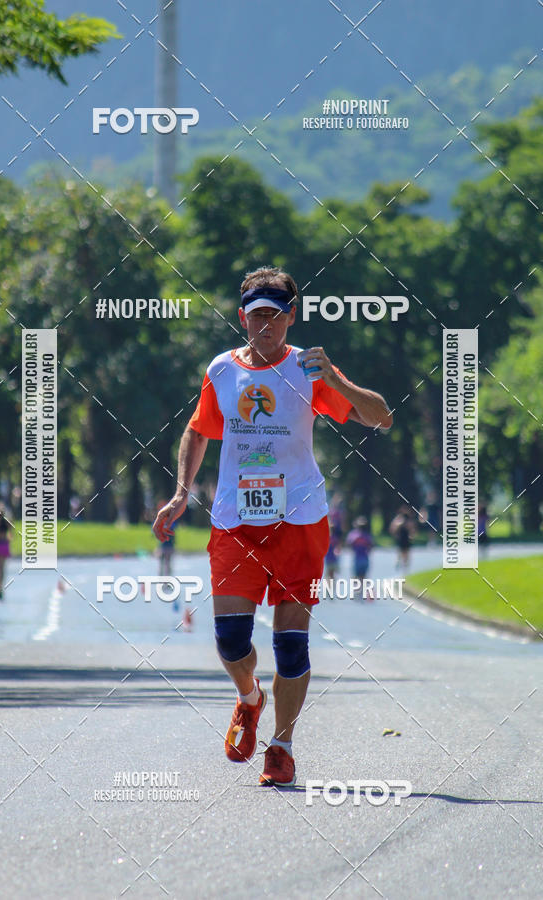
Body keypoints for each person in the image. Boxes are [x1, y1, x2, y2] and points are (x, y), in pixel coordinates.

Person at [153, 266, 393, 787]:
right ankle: (249, 698)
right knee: (231, 640)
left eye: (274, 316)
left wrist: (333, 377)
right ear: (242, 317)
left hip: (300, 522)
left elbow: (381, 417)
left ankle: (281, 745)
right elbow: (198, 432)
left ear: (291, 317)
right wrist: (180, 493)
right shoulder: (221, 369)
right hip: (236, 522)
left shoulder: (308, 370)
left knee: (291, 646)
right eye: (255, 316)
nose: (264, 327)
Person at [345, 516, 374, 600]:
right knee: (363, 576)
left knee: (356, 576)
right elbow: (371, 546)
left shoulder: (353, 534)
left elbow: (349, 544)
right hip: (365, 558)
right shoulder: (367, 536)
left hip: (357, 559)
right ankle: (361, 591)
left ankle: (358, 591)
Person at [389, 505, 416, 571]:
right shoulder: (398, 519)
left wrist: (412, 535)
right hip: (400, 537)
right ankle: (399, 562)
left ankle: (405, 566)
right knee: (400, 551)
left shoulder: (409, 519)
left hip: (407, 538)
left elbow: (413, 529)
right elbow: (392, 528)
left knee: (406, 552)